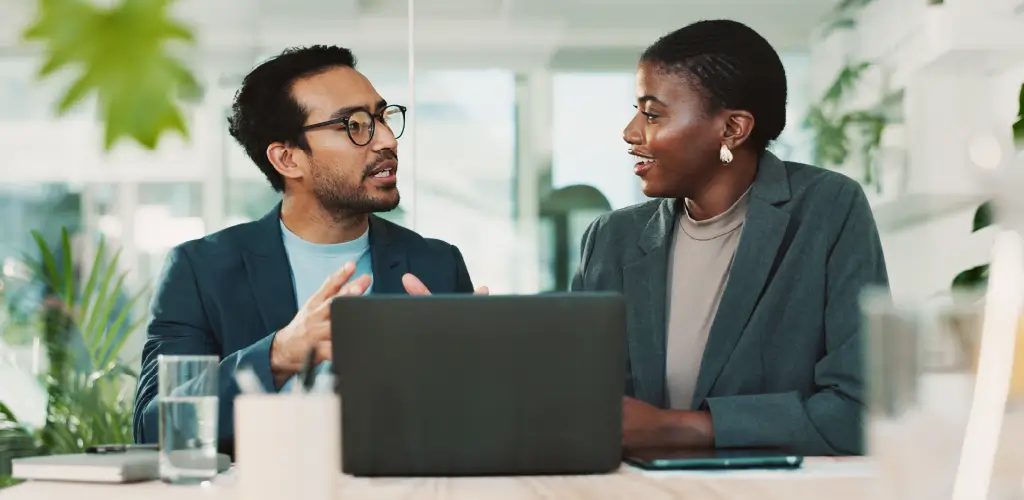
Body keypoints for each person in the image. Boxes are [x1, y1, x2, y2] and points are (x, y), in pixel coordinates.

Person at [132, 45, 487, 447]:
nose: (387, 139)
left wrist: (468, 369)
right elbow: (157, 427)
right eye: (354, 125)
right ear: (287, 159)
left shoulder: (436, 265)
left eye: (383, 117)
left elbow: (476, 429)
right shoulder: (200, 270)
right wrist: (278, 354)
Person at [570, 20, 889, 456]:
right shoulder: (610, 239)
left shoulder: (828, 209)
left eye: (652, 113)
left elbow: (861, 411)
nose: (630, 132)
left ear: (732, 129)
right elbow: (577, 403)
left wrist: (682, 429)